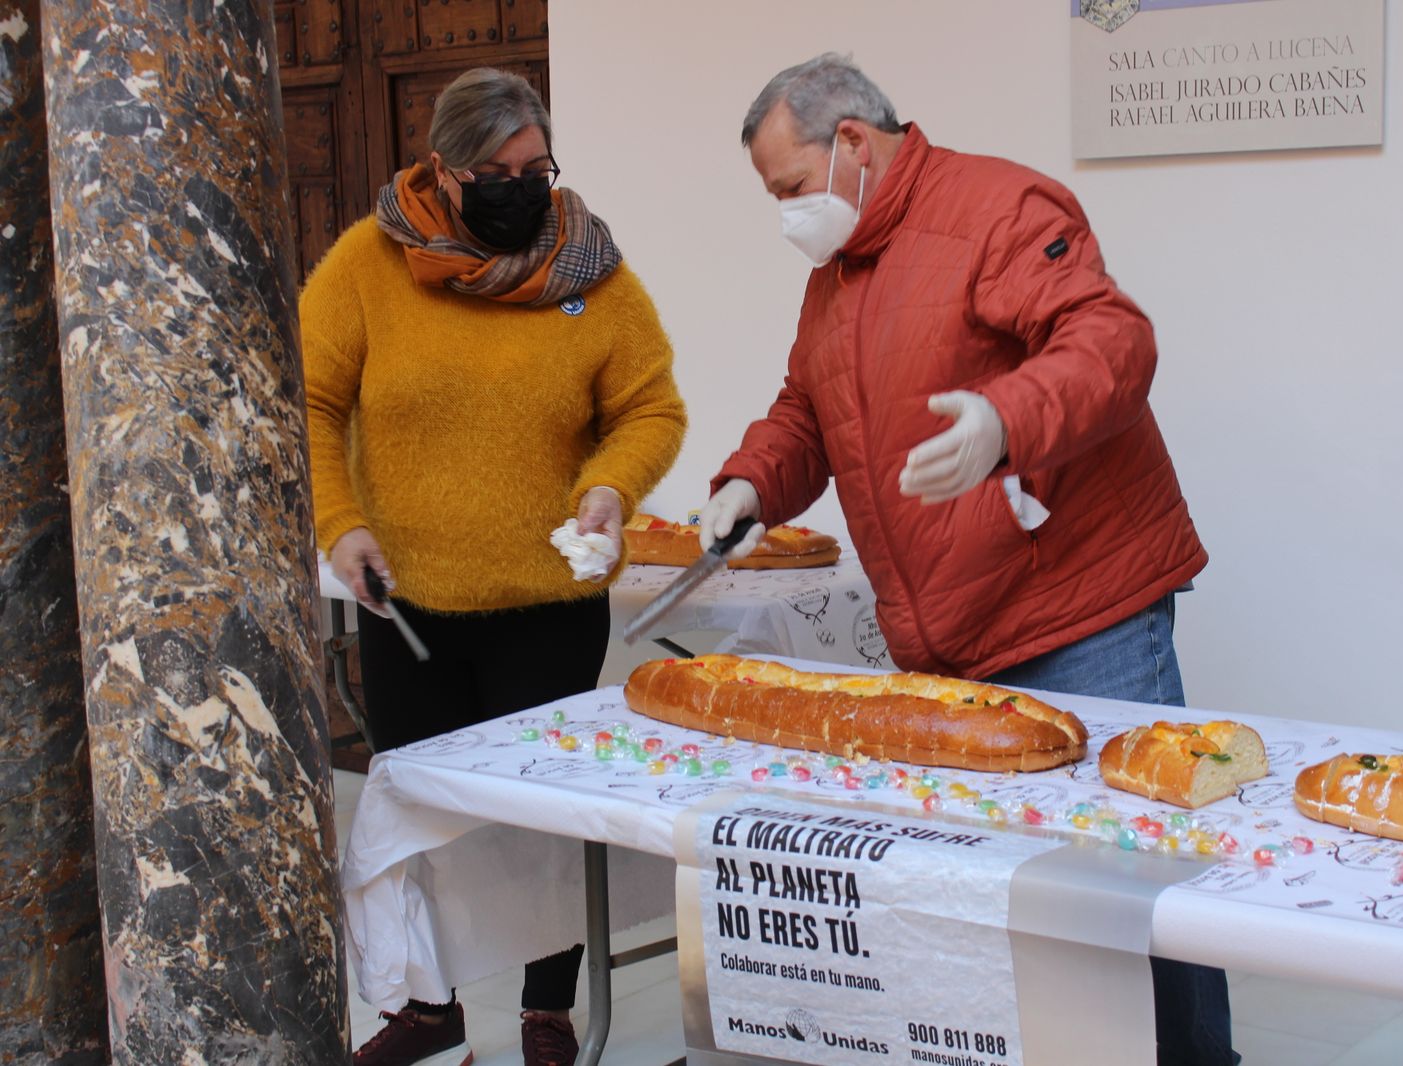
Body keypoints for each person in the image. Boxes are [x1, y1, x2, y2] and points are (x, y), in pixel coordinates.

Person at [698, 54, 1233, 1066]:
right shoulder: (836, 275)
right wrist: (751, 483)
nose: (786, 216)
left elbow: (1111, 342)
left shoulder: (997, 208)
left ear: (852, 143)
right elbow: (808, 409)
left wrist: (1005, 420)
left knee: (1135, 881)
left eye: (789, 187)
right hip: (953, 638)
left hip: (1080, 613)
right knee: (1011, 904)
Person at [302, 68, 686, 1066]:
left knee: (541, 828)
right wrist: (339, 523)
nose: (523, 191)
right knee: (418, 816)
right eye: (497, 174)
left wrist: (609, 487)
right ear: (442, 169)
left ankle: (546, 1012)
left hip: (548, 610)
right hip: (411, 606)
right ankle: (428, 1009)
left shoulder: (587, 268)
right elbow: (311, 401)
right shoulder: (368, 264)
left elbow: (649, 406)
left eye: (537, 170)